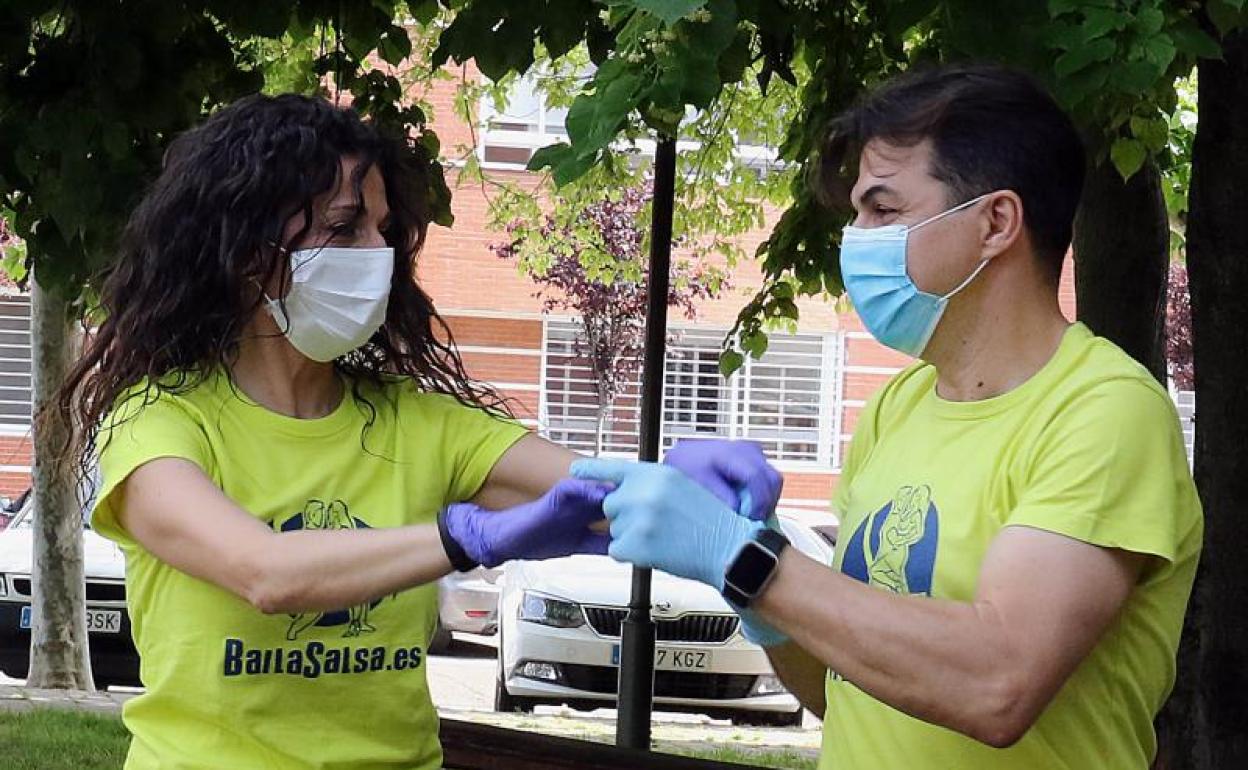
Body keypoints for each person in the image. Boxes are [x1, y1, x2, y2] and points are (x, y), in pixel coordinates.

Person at [574, 64, 1202, 769]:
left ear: (995, 222)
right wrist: (758, 594)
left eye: (882, 209)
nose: (856, 236)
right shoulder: (895, 409)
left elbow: (998, 682)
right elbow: (846, 688)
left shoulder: (1105, 410)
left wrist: (748, 560)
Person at [49, 94, 606, 769]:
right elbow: (265, 572)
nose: (380, 254)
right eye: (344, 229)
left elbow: (601, 495)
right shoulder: (159, 420)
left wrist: (685, 488)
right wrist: (465, 538)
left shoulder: (421, 424)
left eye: (383, 229)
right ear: (250, 253)